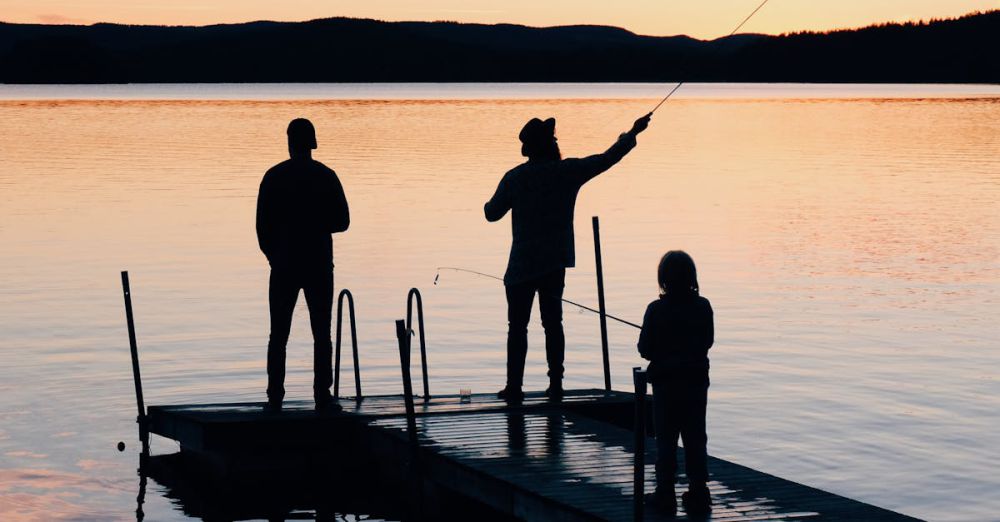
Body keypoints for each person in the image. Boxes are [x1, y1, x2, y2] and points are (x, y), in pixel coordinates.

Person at [484, 113, 651, 403]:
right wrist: (632, 133)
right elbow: (607, 158)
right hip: (553, 263)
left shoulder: (515, 178)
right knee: (553, 323)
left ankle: (514, 387)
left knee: (517, 327)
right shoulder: (567, 172)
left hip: (521, 266)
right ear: (551, 145)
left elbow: (491, 213)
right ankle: (556, 384)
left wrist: (495, 199)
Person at [256, 118, 350, 412]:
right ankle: (322, 394)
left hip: (283, 264)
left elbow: (262, 227)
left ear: (289, 142)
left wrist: (274, 255)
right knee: (321, 331)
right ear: (313, 143)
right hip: (318, 263)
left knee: (278, 334)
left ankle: (275, 397)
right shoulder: (326, 176)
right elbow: (343, 222)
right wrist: (317, 225)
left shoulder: (273, 177)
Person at [637, 251, 714, 515]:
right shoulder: (703, 306)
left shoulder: (656, 310)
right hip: (695, 384)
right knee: (695, 437)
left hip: (666, 385)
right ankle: (699, 490)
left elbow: (644, 348)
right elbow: (707, 342)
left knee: (666, 439)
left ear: (663, 280)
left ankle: (665, 491)